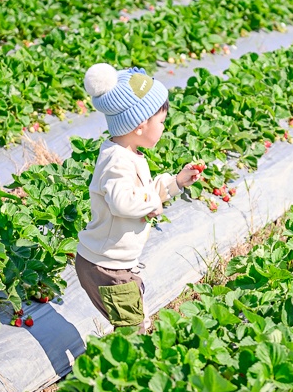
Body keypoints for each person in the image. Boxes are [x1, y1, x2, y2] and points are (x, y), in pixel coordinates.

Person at [75, 63, 201, 332]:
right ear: (141, 124)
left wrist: (175, 182)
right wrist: (154, 203)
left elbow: (139, 192)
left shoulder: (127, 153)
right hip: (107, 268)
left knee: (135, 322)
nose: (164, 127)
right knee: (134, 333)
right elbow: (122, 202)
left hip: (112, 264)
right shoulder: (117, 162)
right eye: (162, 122)